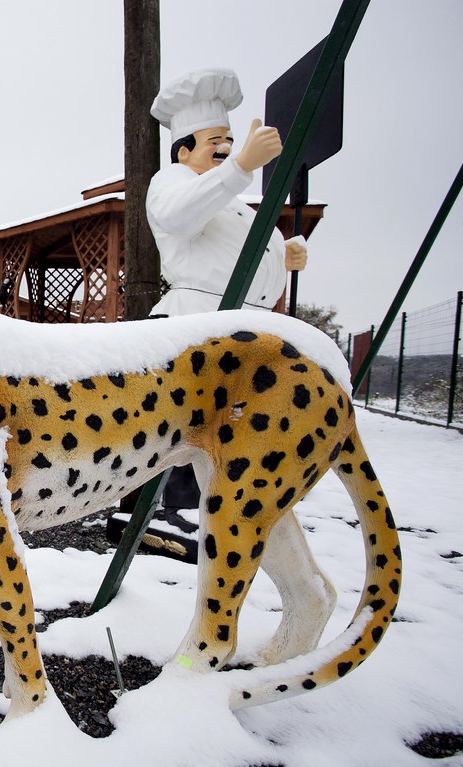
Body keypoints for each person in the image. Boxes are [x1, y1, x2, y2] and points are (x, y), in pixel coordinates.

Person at [145, 67, 308, 532]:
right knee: (190, 424)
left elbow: (250, 249)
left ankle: (224, 507)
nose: (225, 148)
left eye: (229, 139)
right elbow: (178, 218)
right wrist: (240, 168)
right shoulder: (174, 183)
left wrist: (285, 256)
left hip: (246, 328)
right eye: (213, 139)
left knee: (233, 427)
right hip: (200, 322)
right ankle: (169, 512)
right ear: (185, 149)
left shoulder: (230, 197)